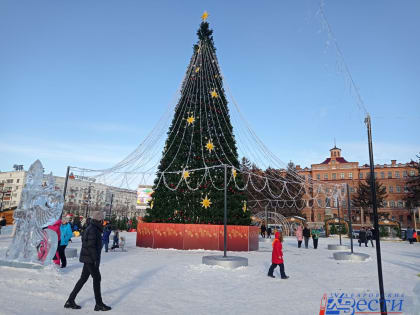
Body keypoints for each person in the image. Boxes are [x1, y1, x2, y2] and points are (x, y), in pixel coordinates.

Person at [65, 211, 111, 311]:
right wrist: (95, 259)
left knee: (83, 279)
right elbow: (90, 246)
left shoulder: (93, 228)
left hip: (88, 258)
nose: (103, 222)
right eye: (102, 220)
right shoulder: (93, 229)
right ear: (99, 220)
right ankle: (99, 304)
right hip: (90, 259)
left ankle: (70, 300)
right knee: (97, 278)